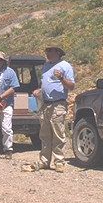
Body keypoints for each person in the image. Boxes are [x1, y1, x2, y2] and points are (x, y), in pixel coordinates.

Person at [32, 43, 75, 173]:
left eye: (50, 50)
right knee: (44, 134)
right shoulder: (46, 66)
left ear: (57, 52)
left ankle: (59, 161)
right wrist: (40, 90)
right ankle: (44, 161)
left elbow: (71, 86)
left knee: (58, 134)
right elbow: (46, 83)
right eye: (47, 50)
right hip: (45, 104)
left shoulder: (65, 66)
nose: (47, 52)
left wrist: (61, 77)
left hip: (58, 104)